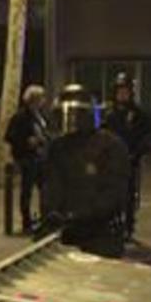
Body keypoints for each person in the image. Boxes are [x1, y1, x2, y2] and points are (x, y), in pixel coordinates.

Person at [41, 84, 131, 259]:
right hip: (63, 233)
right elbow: (51, 183)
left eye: (76, 115)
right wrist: (52, 212)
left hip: (100, 233)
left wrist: (80, 215)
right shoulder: (58, 147)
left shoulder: (110, 146)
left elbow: (114, 192)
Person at [103, 72, 151, 240]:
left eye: (125, 91)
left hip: (130, 159)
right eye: (119, 91)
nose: (122, 94)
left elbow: (148, 134)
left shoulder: (137, 113)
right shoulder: (109, 113)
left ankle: (128, 226)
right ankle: (113, 223)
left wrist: (138, 152)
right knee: (111, 193)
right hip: (111, 160)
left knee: (129, 195)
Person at [5, 84, 50, 234]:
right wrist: (27, 141)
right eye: (40, 98)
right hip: (27, 157)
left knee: (44, 188)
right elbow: (10, 136)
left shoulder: (39, 115)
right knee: (27, 190)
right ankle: (26, 222)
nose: (43, 101)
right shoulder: (21, 116)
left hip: (39, 156)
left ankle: (44, 217)